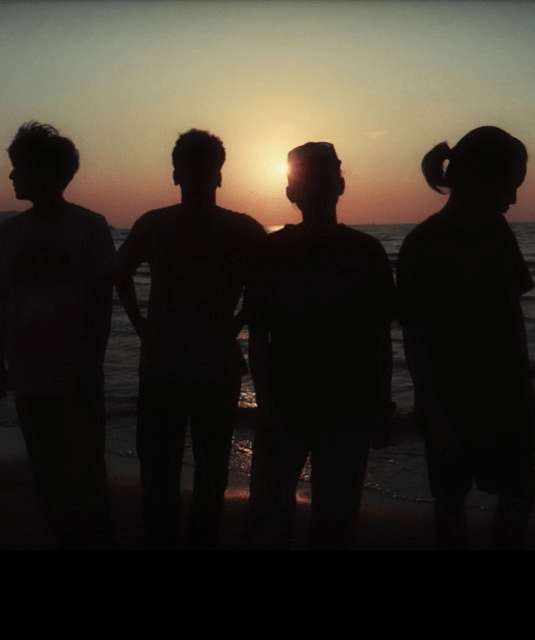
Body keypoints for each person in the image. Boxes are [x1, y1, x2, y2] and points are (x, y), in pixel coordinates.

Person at [116, 129, 265, 548]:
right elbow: (120, 273)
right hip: (174, 363)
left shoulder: (236, 229)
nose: (199, 176)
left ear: (218, 175)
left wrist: (239, 319)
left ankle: (186, 536)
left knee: (193, 465)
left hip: (201, 364)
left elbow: (269, 285)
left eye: (205, 168)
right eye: (193, 168)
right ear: (178, 174)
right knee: (174, 465)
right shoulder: (161, 224)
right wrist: (141, 325)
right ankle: (176, 536)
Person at [245, 142, 396, 549]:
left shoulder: (366, 252)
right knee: (273, 522)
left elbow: (380, 335)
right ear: (292, 192)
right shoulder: (274, 252)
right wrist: (267, 407)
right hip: (293, 406)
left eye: (324, 176)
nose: (318, 186)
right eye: (311, 178)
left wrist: (382, 404)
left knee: (329, 524)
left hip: (344, 407)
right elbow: (258, 335)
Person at [397, 126, 535, 549]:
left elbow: (511, 316)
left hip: (506, 396)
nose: (513, 200)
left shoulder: (497, 232)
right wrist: (433, 412)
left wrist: (526, 389)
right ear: (478, 179)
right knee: (451, 505)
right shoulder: (423, 244)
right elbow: (415, 335)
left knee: (517, 498)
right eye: (509, 186)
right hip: (450, 402)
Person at [0, 122, 116, 549]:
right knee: (46, 476)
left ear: (48, 173)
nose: (12, 175)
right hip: (28, 376)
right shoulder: (9, 233)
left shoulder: (90, 227)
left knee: (87, 478)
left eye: (19, 167)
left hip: (76, 377)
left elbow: (102, 305)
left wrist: (92, 365)